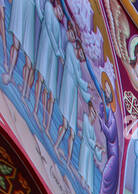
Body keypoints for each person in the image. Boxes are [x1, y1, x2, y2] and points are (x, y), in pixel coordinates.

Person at [54, 30, 89, 163]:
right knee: (65, 123)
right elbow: (78, 78)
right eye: (82, 54)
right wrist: (87, 86)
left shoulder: (78, 65)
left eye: (83, 57)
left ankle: (68, 160)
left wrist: (88, 96)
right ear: (79, 48)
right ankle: (56, 145)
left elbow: (79, 81)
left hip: (73, 92)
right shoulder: (69, 48)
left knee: (72, 131)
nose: (81, 56)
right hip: (68, 87)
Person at [33, 0, 64, 131]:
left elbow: (58, 43)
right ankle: (35, 109)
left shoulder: (58, 25)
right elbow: (49, 31)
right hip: (45, 47)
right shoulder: (48, 8)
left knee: (46, 85)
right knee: (40, 78)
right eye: (60, 11)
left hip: (51, 56)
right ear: (56, 6)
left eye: (62, 14)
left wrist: (60, 54)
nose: (61, 15)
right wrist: (57, 51)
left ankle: (42, 119)